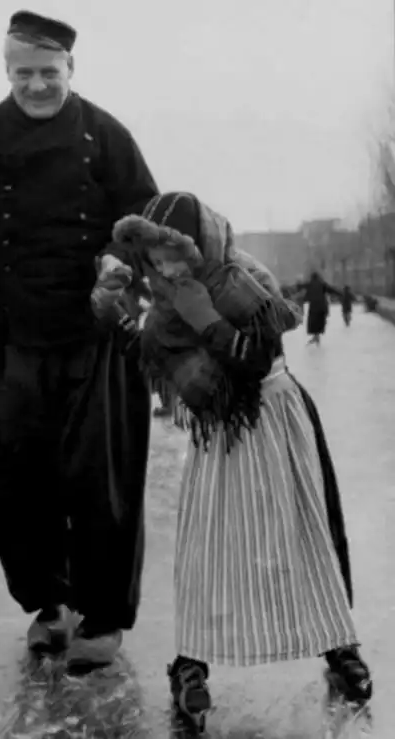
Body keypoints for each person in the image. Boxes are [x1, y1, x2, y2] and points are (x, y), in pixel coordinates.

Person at [0, 10, 158, 672]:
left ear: (70, 69)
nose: (37, 85)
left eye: (48, 72)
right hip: (10, 336)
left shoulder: (106, 136)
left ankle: (102, 616)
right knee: (17, 483)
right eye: (22, 73)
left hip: (95, 338)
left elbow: (149, 222)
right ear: (7, 71)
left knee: (101, 483)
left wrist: (121, 260)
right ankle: (50, 606)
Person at [94, 192, 372, 733]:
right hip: (218, 435)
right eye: (154, 259)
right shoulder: (167, 296)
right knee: (210, 546)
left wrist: (205, 319)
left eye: (173, 255)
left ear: (198, 245)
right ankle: (191, 663)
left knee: (303, 533)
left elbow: (256, 359)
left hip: (274, 419)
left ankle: (339, 643)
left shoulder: (243, 281)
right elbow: (154, 355)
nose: (165, 269)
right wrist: (115, 316)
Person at [298, 271, 340, 345]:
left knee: (314, 322)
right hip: (322, 307)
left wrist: (298, 284)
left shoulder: (310, 284)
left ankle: (316, 338)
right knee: (319, 322)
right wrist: (340, 293)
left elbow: (301, 287)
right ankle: (316, 338)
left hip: (314, 307)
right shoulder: (322, 284)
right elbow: (331, 290)